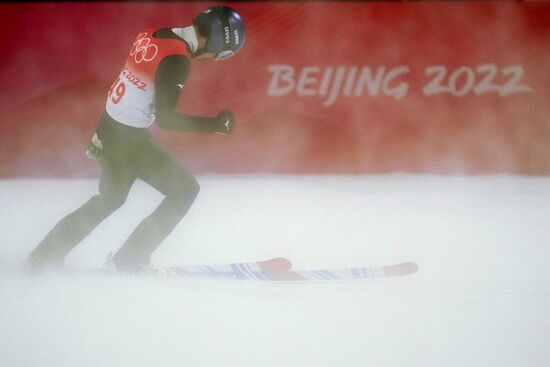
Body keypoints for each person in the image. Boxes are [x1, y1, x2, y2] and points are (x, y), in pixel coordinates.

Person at [25, 5, 246, 272]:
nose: (211, 58)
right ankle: (130, 261)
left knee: (109, 200)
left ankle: (42, 257)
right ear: (216, 41)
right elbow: (166, 119)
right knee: (185, 191)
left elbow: (124, 85)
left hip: (114, 130)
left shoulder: (152, 34)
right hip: (130, 141)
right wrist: (214, 126)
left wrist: (101, 131)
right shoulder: (177, 60)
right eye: (220, 54)